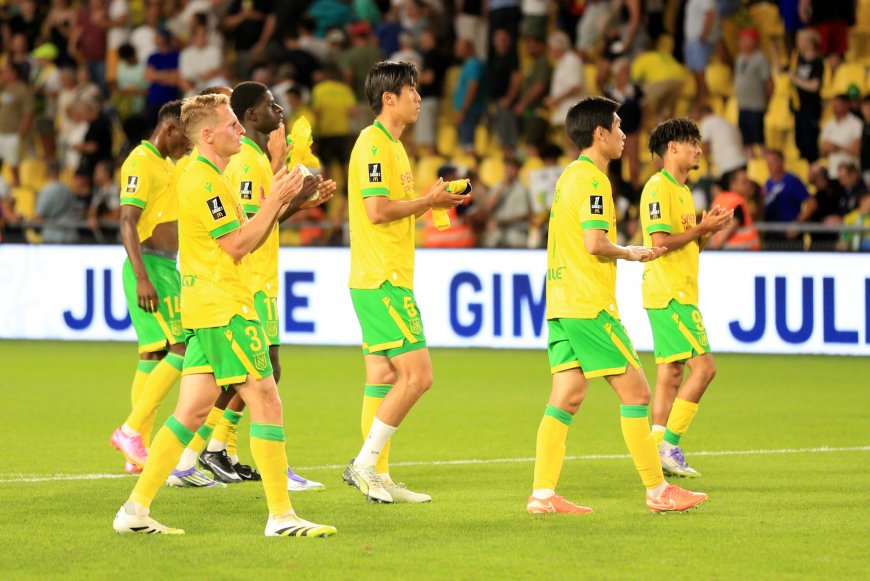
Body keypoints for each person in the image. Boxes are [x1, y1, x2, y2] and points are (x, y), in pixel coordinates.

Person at [112, 92, 336, 537]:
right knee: (267, 400)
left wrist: (288, 201)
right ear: (209, 135)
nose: (239, 129)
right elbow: (235, 245)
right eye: (232, 124)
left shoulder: (207, 174)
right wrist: (279, 197)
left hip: (207, 308)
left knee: (191, 413)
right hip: (225, 309)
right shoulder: (206, 181)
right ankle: (281, 516)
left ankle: (134, 511)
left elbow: (241, 233)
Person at [527, 96, 708, 515]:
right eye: (618, 126)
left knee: (568, 395)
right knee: (638, 392)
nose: (625, 134)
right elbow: (594, 243)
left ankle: (542, 494)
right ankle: (657, 489)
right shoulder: (593, 180)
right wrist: (630, 252)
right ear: (599, 133)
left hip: (560, 302)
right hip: (589, 305)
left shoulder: (568, 177)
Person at [343, 61, 467, 504]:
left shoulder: (394, 147)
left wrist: (433, 202)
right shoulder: (374, 145)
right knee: (418, 376)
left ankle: (378, 473)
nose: (418, 97)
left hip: (382, 276)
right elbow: (377, 210)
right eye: (411, 90)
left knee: (382, 375)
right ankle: (364, 463)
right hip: (382, 279)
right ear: (388, 98)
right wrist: (426, 199)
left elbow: (394, 206)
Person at [202, 80, 333, 491]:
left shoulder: (256, 159)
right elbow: (252, 225)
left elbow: (267, 216)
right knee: (264, 372)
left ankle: (215, 449)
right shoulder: (250, 161)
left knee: (256, 373)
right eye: (269, 105)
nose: (279, 110)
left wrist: (301, 201)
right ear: (250, 116)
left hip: (262, 278)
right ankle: (215, 449)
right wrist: (289, 184)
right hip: (255, 280)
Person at [639, 118, 732, 478]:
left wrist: (705, 233)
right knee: (705, 367)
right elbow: (659, 244)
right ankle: (670, 445)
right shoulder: (658, 188)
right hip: (669, 292)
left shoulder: (684, 191)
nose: (698, 148)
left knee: (671, 374)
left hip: (677, 289)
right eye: (691, 141)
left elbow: (688, 246)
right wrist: (701, 229)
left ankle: (655, 447)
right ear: (672, 147)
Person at [109, 101, 191, 475]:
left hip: (165, 266)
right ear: (170, 129)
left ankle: (135, 447)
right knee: (182, 347)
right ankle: (129, 431)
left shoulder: (168, 164)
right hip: (149, 265)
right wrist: (142, 275)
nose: (187, 145)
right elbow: (127, 219)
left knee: (153, 356)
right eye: (185, 138)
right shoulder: (141, 161)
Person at [707, 169, 761, 249]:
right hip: (739, 254)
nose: (748, 185)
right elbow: (721, 237)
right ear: (733, 184)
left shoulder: (720, 198)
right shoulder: (737, 203)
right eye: (744, 182)